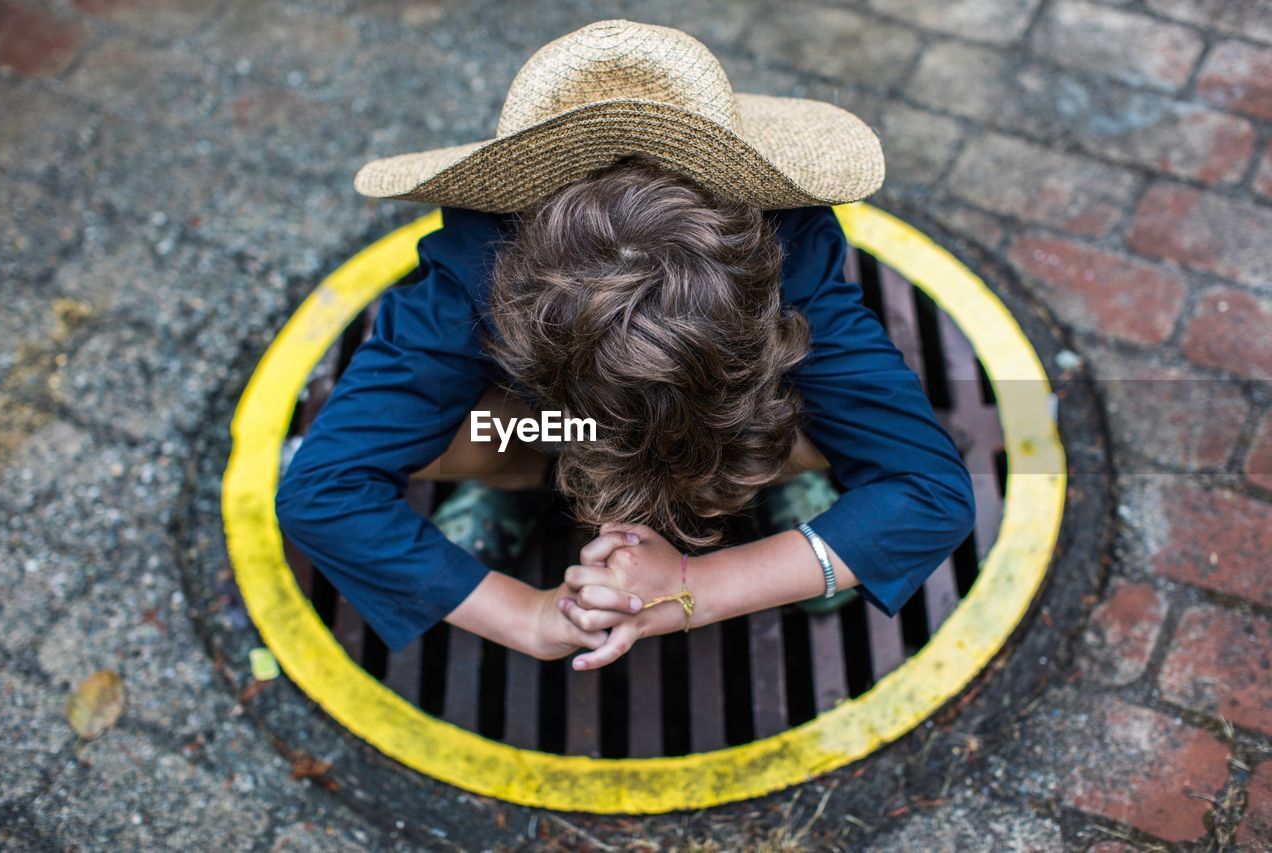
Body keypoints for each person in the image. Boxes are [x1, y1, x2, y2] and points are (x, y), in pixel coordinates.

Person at [275, 20, 975, 673]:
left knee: (808, 403)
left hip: (724, 416)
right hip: (556, 424)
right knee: (494, 427)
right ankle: (523, 483)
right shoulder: (473, 262)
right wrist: (529, 615)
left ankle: (771, 472)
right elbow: (323, 491)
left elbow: (929, 492)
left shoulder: (788, 244)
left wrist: (695, 585)